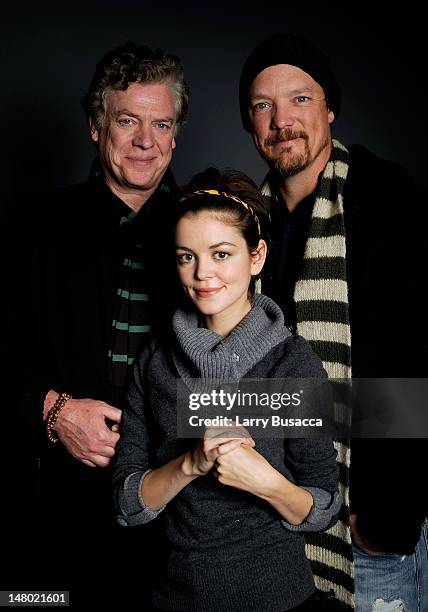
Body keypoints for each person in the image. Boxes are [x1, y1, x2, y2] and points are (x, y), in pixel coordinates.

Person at [238, 32, 428, 610]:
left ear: (330, 109)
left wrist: (391, 514)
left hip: (367, 530)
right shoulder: (245, 224)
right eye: (263, 105)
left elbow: (416, 369)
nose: (282, 120)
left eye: (300, 99)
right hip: (272, 527)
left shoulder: (388, 200)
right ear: (250, 123)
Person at [7, 41, 188, 606]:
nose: (145, 141)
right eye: (127, 121)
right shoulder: (30, 228)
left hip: (179, 518)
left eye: (161, 124)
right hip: (55, 517)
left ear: (176, 135)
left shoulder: (210, 234)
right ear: (95, 126)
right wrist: (53, 410)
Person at [113, 167, 342, 611]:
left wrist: (267, 482)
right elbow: (126, 502)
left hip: (281, 600)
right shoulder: (156, 364)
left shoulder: (292, 364)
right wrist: (191, 463)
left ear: (256, 257)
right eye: (186, 256)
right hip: (175, 597)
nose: (202, 275)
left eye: (221, 254)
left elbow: (322, 505)